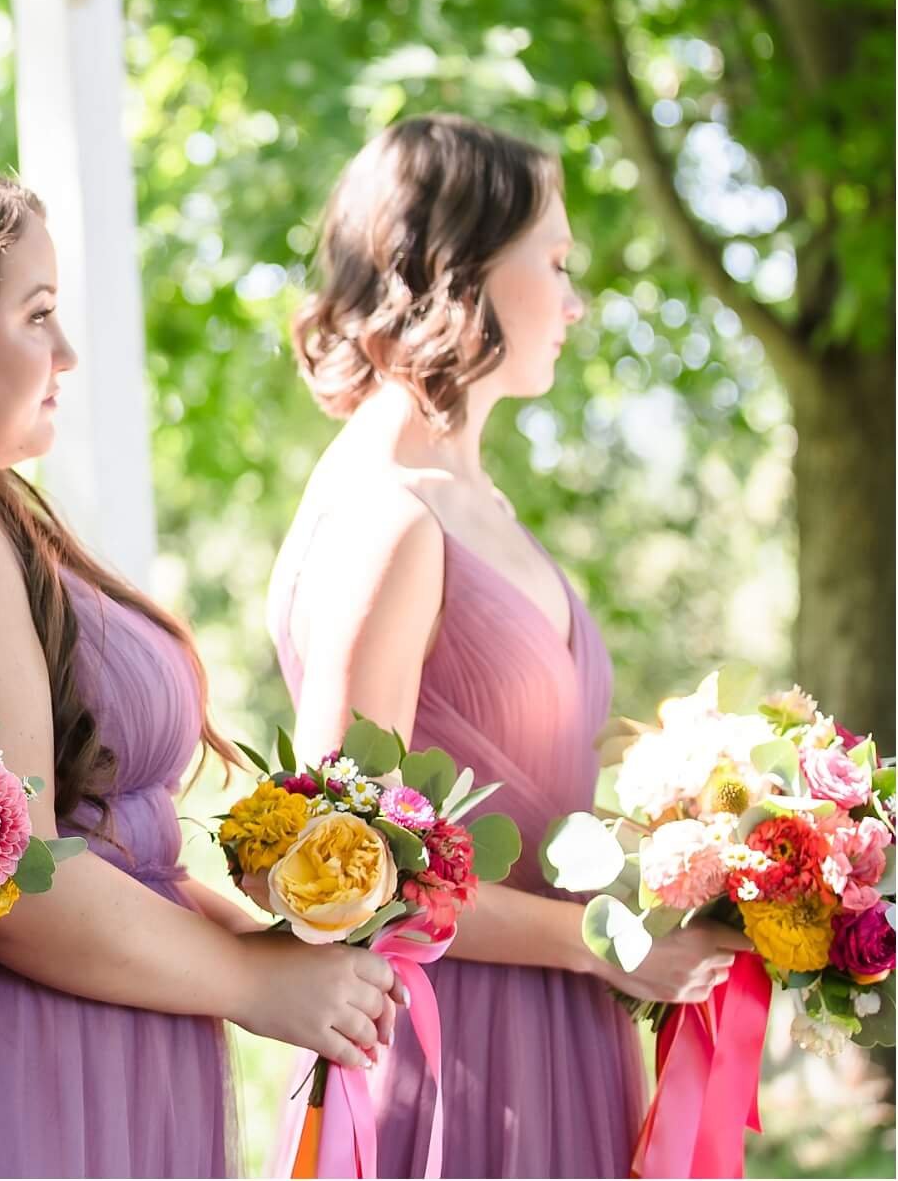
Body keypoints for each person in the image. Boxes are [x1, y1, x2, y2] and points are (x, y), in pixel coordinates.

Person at [0, 149, 404, 1177]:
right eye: (36, 313)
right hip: (18, 1064)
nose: (65, 353)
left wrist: (256, 936)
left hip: (66, 1038)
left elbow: (94, 840)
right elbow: (10, 884)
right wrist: (252, 983)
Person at [274, 114, 742, 1175]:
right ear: (462, 269)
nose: (575, 302)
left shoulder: (467, 496)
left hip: (560, 1024)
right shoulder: (384, 517)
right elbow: (343, 868)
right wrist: (607, 943)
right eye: (559, 261)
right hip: (454, 1054)